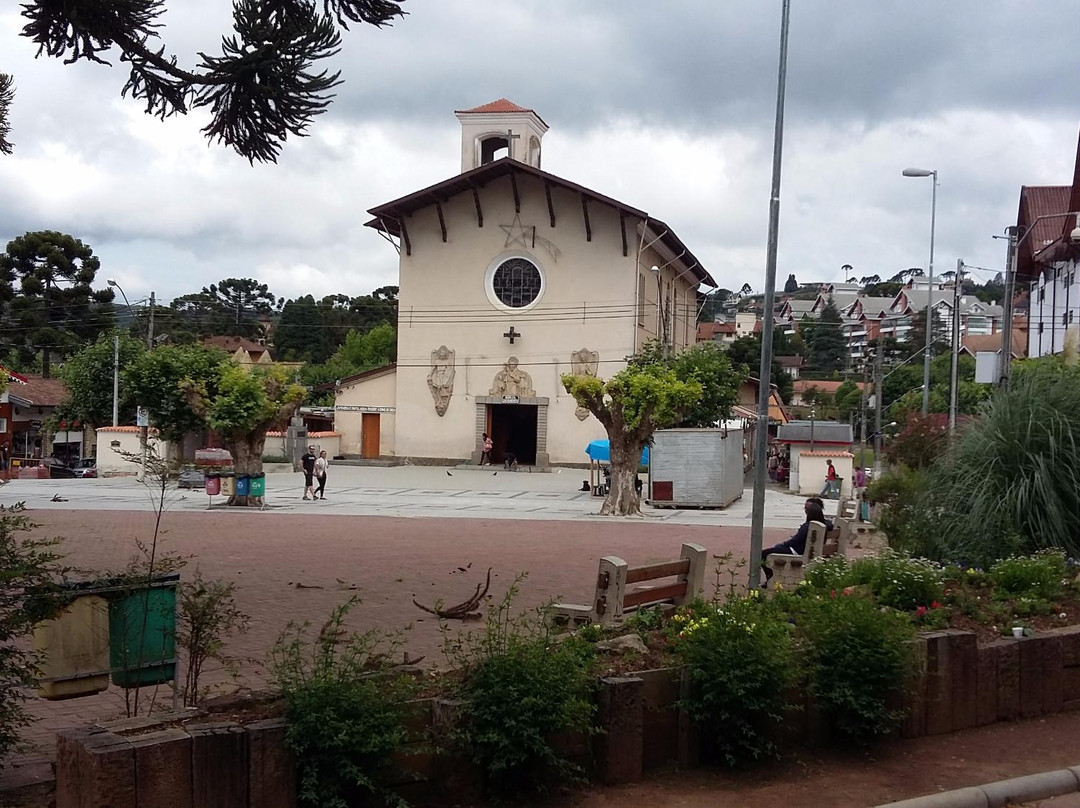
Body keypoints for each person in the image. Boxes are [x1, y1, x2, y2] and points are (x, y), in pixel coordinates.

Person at [761, 497, 832, 586]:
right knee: (775, 549)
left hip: (798, 552)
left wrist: (782, 545)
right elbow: (830, 524)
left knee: (763, 554)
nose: (805, 511)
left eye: (807, 509)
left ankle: (770, 578)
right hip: (809, 551)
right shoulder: (824, 524)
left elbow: (795, 541)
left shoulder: (807, 526)